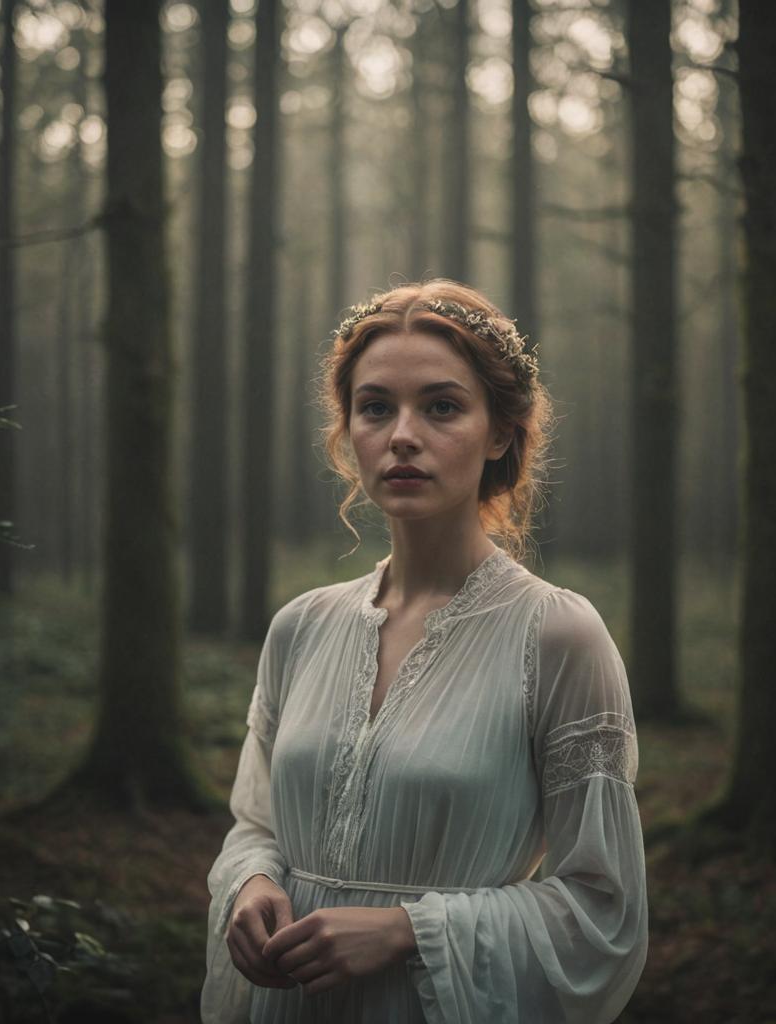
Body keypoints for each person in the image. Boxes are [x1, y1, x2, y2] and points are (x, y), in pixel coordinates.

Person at [201, 280, 648, 1024]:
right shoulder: (301, 627)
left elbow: (602, 910)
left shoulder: (559, 637)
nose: (403, 434)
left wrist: (408, 931)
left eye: (441, 406)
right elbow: (257, 822)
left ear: (501, 432)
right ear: (348, 430)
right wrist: (249, 882)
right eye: (376, 407)